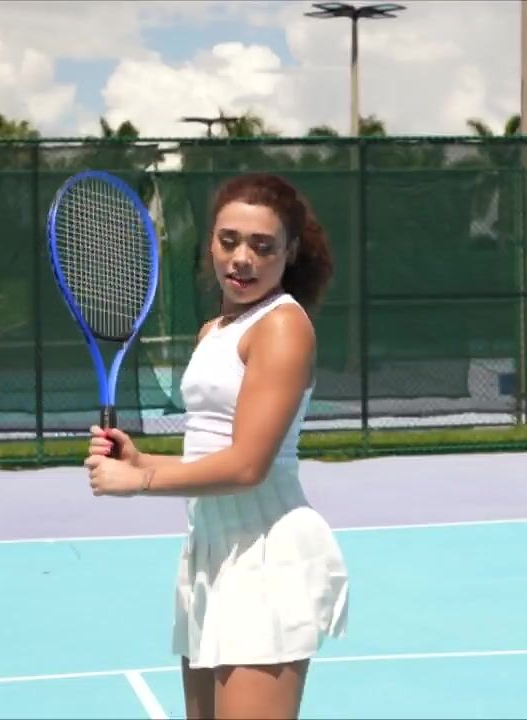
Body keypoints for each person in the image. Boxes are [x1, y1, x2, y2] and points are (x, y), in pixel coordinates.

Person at [83, 172, 348, 718]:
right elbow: (213, 451)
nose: (242, 259)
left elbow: (248, 465)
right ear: (211, 244)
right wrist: (141, 458)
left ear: (289, 253)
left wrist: (141, 480)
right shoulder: (215, 330)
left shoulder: (282, 327)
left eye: (263, 246)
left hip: (266, 555)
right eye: (230, 241)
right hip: (210, 552)